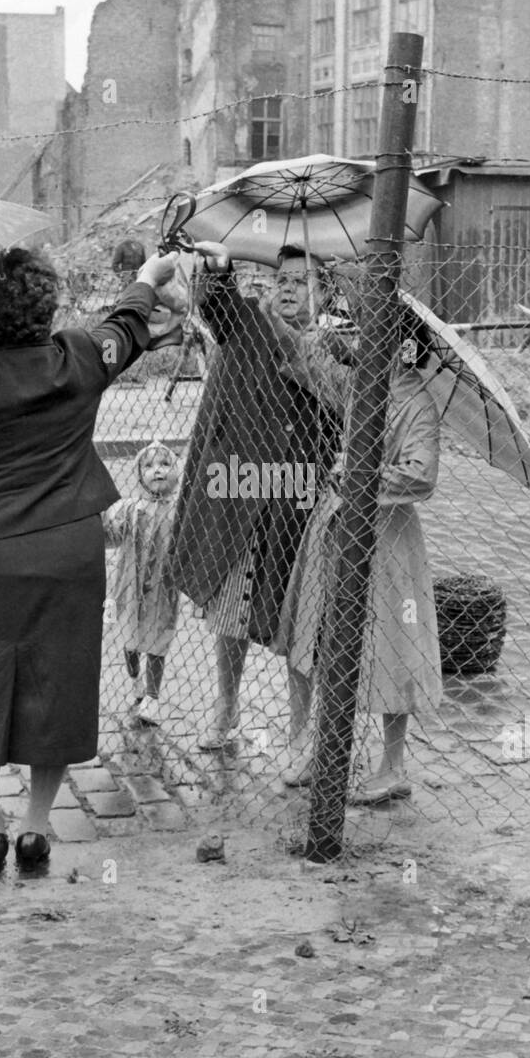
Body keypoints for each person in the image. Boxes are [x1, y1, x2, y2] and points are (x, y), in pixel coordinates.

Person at [0, 246, 185, 872]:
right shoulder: (81, 356)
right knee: (59, 678)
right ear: (49, 308)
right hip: (67, 553)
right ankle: (37, 825)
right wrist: (146, 277)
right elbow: (127, 324)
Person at [168, 243, 342, 758]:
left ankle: (300, 728)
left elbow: (345, 401)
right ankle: (226, 707)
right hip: (241, 493)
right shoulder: (248, 322)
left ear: (325, 292)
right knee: (230, 608)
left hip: (299, 501)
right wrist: (219, 268)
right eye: (281, 280)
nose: (287, 289)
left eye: (300, 281)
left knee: (300, 617)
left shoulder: (336, 345)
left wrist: (302, 350)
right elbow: (217, 306)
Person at [271, 297, 445, 803]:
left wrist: (362, 475)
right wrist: (308, 336)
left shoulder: (416, 403)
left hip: (386, 539)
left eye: (372, 332)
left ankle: (393, 766)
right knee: (318, 632)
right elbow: (307, 369)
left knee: (391, 643)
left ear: (400, 346)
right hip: (335, 526)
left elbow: (422, 475)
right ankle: (321, 748)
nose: (360, 339)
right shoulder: (363, 386)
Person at [102, 440, 181, 725]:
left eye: (164, 464)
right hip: (129, 587)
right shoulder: (130, 509)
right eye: (148, 466)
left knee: (158, 643)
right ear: (139, 475)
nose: (157, 470)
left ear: (175, 471)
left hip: (163, 588)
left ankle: (152, 698)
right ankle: (136, 680)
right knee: (130, 643)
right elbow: (111, 535)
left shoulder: (179, 510)